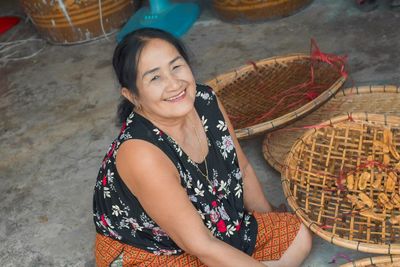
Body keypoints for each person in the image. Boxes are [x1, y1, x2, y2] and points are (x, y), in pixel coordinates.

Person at [93, 28, 312, 267]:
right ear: (132, 95)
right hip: (154, 252)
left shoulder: (205, 100)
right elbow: (201, 245)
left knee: (297, 236)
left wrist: (270, 219)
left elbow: (244, 169)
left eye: (176, 66)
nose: (175, 83)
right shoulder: (141, 153)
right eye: (155, 78)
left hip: (215, 229)